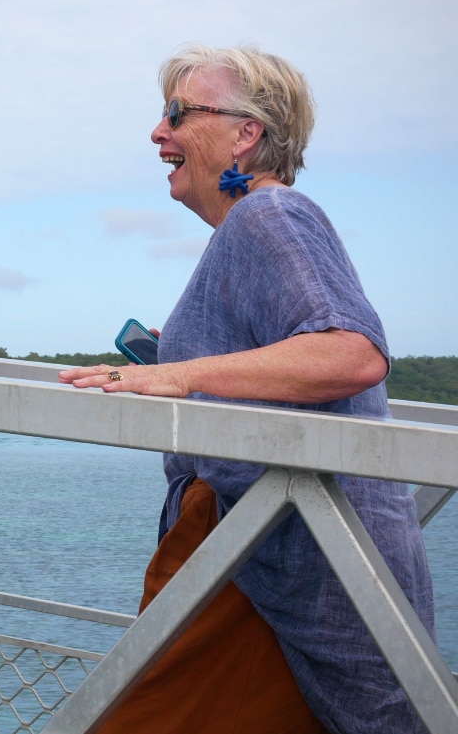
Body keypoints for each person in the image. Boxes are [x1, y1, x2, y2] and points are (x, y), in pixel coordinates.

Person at [60, 45, 434, 734]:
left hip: (274, 564)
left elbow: (351, 353)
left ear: (246, 133)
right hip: (265, 559)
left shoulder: (269, 216)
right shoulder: (247, 230)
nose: (157, 131)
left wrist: (179, 373)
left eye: (178, 112)